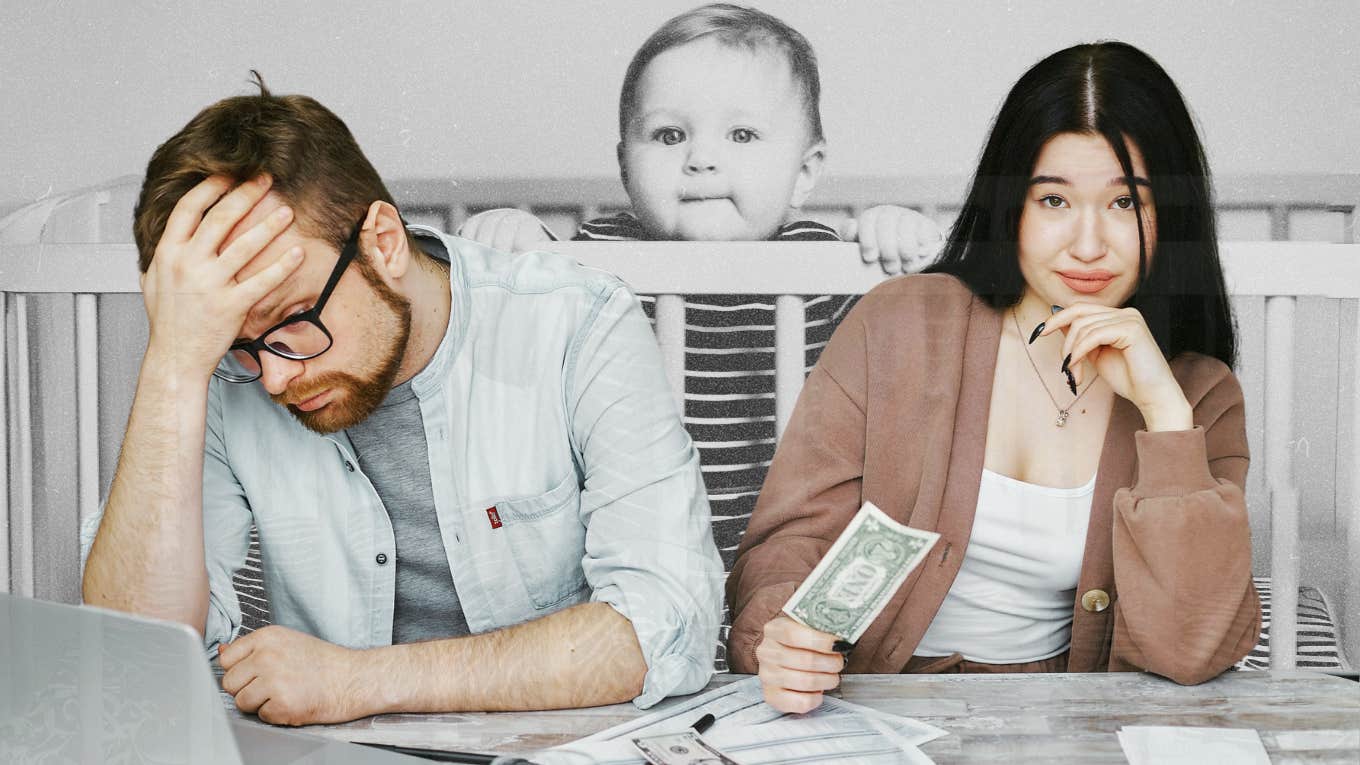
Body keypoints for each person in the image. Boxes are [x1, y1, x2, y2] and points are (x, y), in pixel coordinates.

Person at [79, 76, 724, 725]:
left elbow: (663, 622)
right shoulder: (222, 375)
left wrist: (359, 680)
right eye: (240, 345)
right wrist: (174, 361)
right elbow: (136, 659)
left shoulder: (575, 321)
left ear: (382, 243)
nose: (273, 378)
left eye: (295, 318)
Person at [727, 41, 1260, 713]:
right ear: (1011, 205)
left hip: (1066, 722)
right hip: (870, 706)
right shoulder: (898, 324)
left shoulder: (1199, 392)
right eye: (1055, 201)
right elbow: (791, 539)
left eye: (1125, 204)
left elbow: (1194, 649)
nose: (1089, 244)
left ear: (1169, 216)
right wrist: (781, 633)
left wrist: (1164, 413)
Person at [458, 3, 942, 596]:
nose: (701, 158)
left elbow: (914, 339)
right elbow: (525, 309)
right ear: (624, 165)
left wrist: (893, 237)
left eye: (741, 134)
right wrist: (516, 239)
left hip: (781, 550)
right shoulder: (593, 257)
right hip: (619, 552)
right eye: (669, 134)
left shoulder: (824, 263)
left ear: (805, 171)